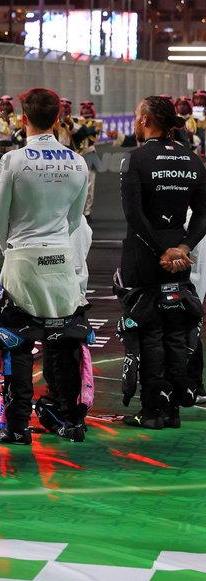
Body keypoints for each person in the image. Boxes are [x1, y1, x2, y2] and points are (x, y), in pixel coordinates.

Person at [0, 89, 90, 445]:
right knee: (64, 342)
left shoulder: (12, 161)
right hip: (61, 259)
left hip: (22, 258)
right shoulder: (78, 162)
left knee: (16, 343)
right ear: (58, 119)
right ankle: (71, 420)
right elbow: (76, 221)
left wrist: (12, 249)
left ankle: (16, 426)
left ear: (22, 118)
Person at [115, 96, 206, 430]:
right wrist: (182, 247)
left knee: (149, 333)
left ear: (147, 120)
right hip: (179, 258)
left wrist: (160, 251)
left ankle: (152, 411)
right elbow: (204, 213)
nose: (136, 121)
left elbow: (134, 215)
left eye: (138, 115)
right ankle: (174, 411)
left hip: (144, 256)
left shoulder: (135, 159)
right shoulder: (193, 160)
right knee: (176, 332)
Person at [74, 100, 104, 218]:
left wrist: (81, 130)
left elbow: (88, 134)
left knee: (89, 186)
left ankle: (87, 212)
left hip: (89, 153)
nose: (86, 110)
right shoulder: (75, 121)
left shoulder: (97, 123)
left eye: (88, 108)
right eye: (84, 108)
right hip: (77, 154)